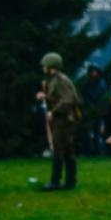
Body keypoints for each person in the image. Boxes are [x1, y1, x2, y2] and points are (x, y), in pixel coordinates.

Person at [37, 52, 81, 191]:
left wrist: (53, 111)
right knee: (67, 150)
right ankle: (70, 181)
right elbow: (57, 98)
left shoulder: (61, 80)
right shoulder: (54, 80)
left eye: (45, 66)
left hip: (64, 120)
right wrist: (45, 97)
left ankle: (56, 181)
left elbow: (67, 100)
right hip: (62, 119)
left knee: (59, 150)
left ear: (51, 66)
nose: (43, 68)